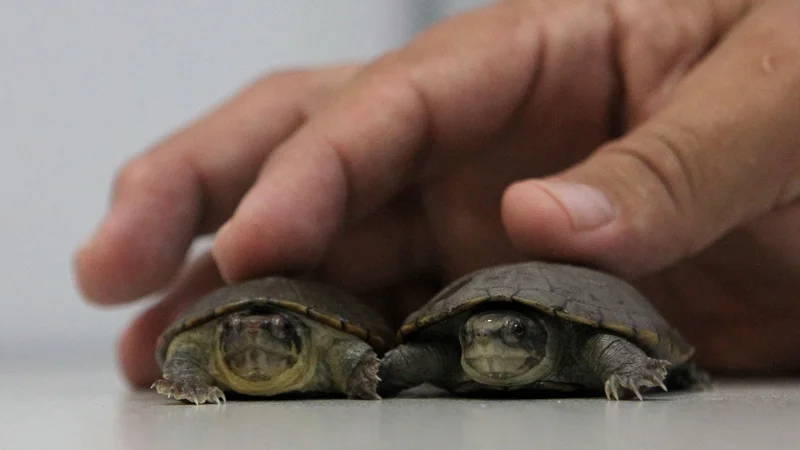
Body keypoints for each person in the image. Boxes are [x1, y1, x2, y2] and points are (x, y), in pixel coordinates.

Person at [73, 0, 800, 388]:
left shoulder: (586, 351)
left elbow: (611, 349)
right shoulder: (444, 352)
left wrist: (638, 365)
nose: (484, 340)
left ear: (543, 339)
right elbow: (412, 360)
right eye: (480, 332)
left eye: (511, 333)